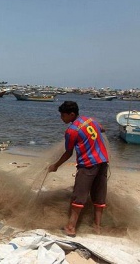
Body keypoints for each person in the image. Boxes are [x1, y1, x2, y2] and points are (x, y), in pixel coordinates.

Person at [48, 101, 109, 237]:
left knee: (79, 196)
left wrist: (55, 166)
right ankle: (97, 227)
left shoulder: (71, 131)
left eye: (63, 115)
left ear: (72, 114)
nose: (61, 118)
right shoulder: (90, 120)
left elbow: (68, 153)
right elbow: (102, 128)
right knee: (99, 195)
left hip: (88, 165)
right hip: (103, 162)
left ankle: (70, 228)